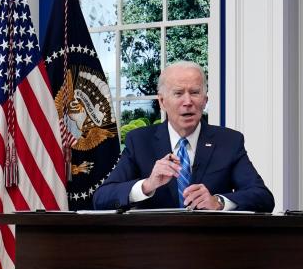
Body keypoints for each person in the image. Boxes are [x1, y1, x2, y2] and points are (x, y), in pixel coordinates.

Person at [93, 61, 274, 212]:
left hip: (213, 247)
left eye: (195, 93)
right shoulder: (139, 142)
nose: (188, 102)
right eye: (178, 93)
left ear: (205, 100)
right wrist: (147, 185)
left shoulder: (229, 141)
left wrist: (218, 202)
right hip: (154, 247)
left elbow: (263, 197)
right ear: (162, 101)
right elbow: (101, 198)